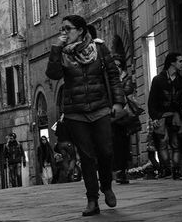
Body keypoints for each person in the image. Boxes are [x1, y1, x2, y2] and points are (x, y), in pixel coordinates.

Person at [46, 15, 125, 216]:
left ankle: (106, 186)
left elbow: (114, 76)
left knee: (106, 151)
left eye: (68, 29)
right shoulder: (63, 53)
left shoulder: (99, 49)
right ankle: (92, 200)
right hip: (75, 112)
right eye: (62, 29)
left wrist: (117, 102)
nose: (64, 33)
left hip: (100, 108)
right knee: (87, 157)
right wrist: (56, 47)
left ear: (80, 30)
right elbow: (53, 74)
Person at [148, 52, 182, 180]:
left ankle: (176, 170)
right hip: (162, 116)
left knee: (175, 144)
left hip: (175, 117)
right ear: (172, 63)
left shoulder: (181, 81)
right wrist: (154, 118)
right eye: (180, 61)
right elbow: (151, 102)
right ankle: (166, 168)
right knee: (162, 144)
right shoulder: (158, 80)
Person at [112, 54, 134, 184]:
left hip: (124, 115)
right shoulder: (109, 79)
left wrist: (118, 85)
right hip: (113, 116)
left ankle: (123, 170)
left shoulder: (126, 78)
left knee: (124, 143)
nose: (117, 68)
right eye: (114, 65)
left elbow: (129, 90)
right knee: (115, 144)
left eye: (118, 65)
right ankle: (119, 170)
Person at [53, 113, 77, 183]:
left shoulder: (59, 123)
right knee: (73, 158)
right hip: (68, 143)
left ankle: (68, 175)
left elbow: (56, 133)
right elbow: (72, 133)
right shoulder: (68, 123)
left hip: (60, 144)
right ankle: (70, 170)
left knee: (65, 159)